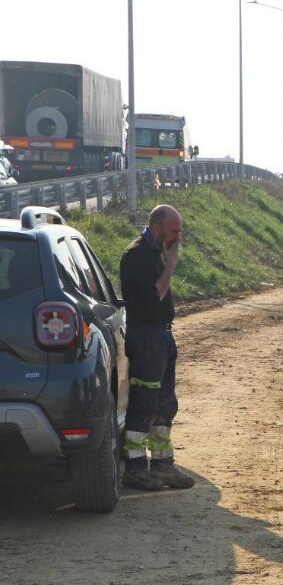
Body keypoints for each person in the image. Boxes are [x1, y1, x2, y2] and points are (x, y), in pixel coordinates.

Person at [118, 204, 194, 491]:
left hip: (161, 336)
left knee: (165, 403)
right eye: (174, 231)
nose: (178, 237)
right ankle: (135, 469)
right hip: (146, 337)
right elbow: (153, 299)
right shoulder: (136, 255)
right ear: (157, 228)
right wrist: (170, 265)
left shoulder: (156, 253)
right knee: (144, 404)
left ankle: (163, 465)